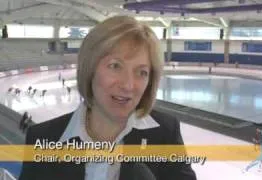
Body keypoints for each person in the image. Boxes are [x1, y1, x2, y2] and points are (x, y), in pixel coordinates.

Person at [19, 15, 196, 180]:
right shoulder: (43, 138)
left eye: (141, 72)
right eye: (115, 66)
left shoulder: (165, 133)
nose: (128, 85)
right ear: (90, 68)